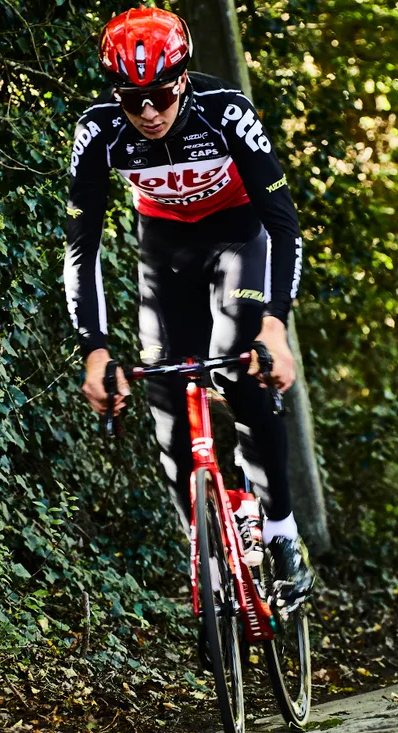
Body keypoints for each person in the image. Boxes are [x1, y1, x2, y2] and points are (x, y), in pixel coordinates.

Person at [63, 8, 315, 602]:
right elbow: (83, 245)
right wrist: (94, 349)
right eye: (131, 98)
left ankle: (280, 531)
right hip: (167, 248)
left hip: (238, 237)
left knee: (238, 363)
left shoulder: (225, 112)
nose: (146, 112)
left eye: (158, 96)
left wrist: (276, 323)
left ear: (181, 80)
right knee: (164, 395)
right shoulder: (99, 131)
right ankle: (202, 547)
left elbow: (284, 226)